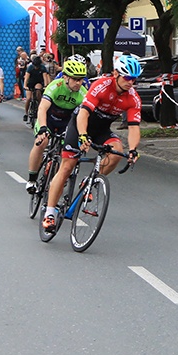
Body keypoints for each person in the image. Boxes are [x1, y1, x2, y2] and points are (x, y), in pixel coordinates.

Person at [41, 55, 142, 234]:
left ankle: (90, 181)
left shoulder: (133, 98)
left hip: (102, 130)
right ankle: (49, 213)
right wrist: (82, 136)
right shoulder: (101, 86)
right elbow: (83, 114)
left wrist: (133, 149)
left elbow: (134, 127)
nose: (130, 82)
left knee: (117, 151)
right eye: (127, 78)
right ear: (116, 74)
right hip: (80, 125)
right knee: (67, 167)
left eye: (134, 79)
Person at [26, 57, 89, 193]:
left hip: (67, 122)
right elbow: (42, 108)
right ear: (66, 77)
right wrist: (43, 128)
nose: (79, 83)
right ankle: (32, 178)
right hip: (49, 118)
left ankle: (55, 180)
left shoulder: (83, 93)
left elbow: (84, 117)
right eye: (75, 79)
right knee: (42, 142)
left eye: (81, 79)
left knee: (64, 151)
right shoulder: (55, 86)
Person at [23, 54, 50, 122]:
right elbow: (26, 78)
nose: (36, 67)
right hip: (30, 82)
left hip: (38, 82)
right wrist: (25, 86)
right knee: (28, 98)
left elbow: (45, 78)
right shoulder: (30, 68)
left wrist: (45, 86)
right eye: (35, 66)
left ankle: (40, 107)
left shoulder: (43, 68)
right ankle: (26, 113)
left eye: (37, 66)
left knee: (38, 90)